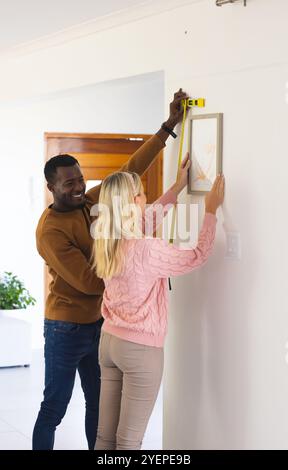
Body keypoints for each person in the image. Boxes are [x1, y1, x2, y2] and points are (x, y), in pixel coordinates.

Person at [32, 88, 189, 450]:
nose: (78, 186)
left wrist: (168, 126)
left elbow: (128, 173)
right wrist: (134, 266)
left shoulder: (89, 201)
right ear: (51, 186)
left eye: (79, 178)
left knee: (99, 408)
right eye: (68, 182)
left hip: (102, 325)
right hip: (66, 327)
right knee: (54, 406)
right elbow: (89, 281)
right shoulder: (51, 231)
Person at [93, 165, 225, 450]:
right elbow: (196, 256)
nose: (146, 199)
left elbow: (144, 221)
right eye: (141, 195)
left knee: (105, 437)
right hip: (139, 351)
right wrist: (211, 212)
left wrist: (177, 188)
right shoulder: (146, 248)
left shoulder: (106, 241)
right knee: (128, 442)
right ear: (132, 204)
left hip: (109, 343)